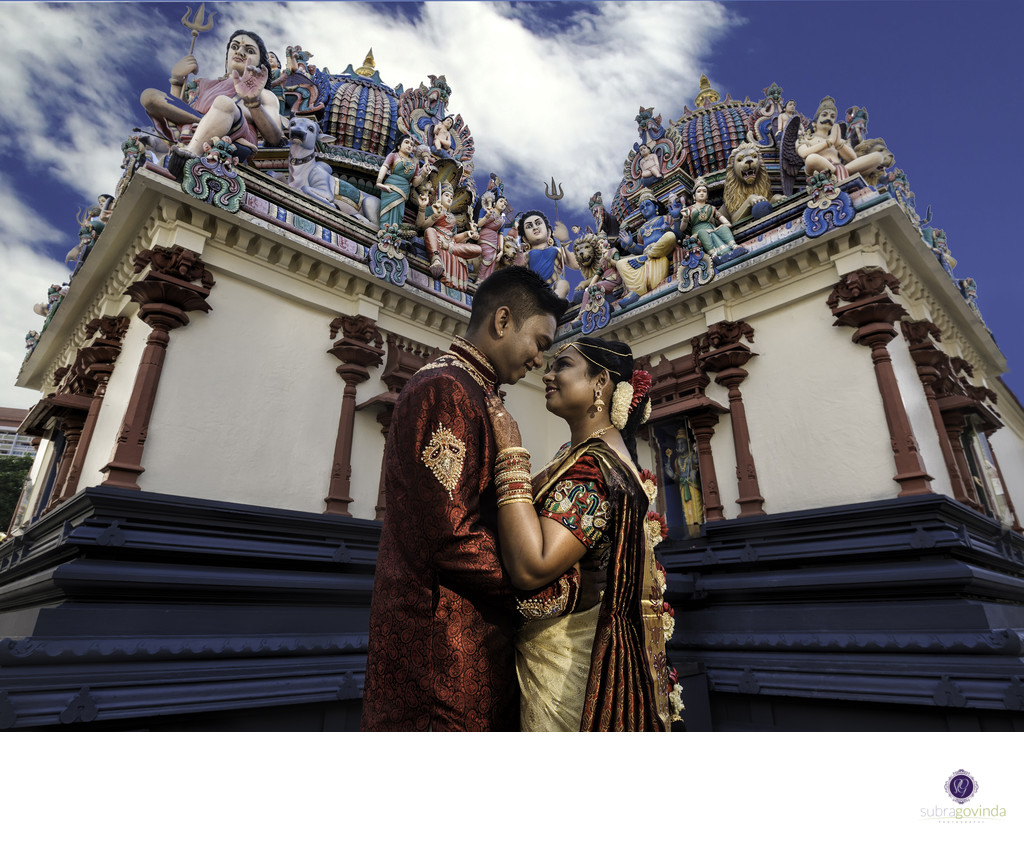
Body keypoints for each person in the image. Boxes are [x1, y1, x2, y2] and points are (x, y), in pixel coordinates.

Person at [362, 267, 569, 731]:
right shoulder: (446, 390)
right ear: (502, 321)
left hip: (469, 633)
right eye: (539, 341)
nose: (540, 360)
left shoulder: (473, 392)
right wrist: (546, 587)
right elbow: (449, 534)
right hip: (443, 644)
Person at [484, 337, 671, 731]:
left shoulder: (596, 468)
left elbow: (533, 567)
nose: (547, 374)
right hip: (559, 657)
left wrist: (510, 454)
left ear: (600, 382)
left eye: (562, 365)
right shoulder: (582, 453)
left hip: (569, 671)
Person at [141, 29, 284, 159]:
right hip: (191, 128)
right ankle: (205, 123)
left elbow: (274, 137)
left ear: (260, 63)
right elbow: (180, 111)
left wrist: (253, 103)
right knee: (149, 96)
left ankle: (191, 154)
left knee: (224, 103)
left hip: (234, 137)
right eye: (234, 47)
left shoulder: (265, 94)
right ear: (227, 56)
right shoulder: (203, 83)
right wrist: (177, 81)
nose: (240, 52)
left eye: (249, 51)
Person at [376, 133, 433, 229]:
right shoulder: (394, 155)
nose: (409, 145)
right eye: (407, 142)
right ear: (399, 146)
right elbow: (384, 167)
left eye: (412, 144)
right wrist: (379, 182)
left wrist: (423, 174)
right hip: (391, 187)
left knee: (398, 215)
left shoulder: (414, 163)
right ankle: (384, 232)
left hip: (403, 191)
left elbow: (414, 183)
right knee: (386, 213)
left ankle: (393, 233)